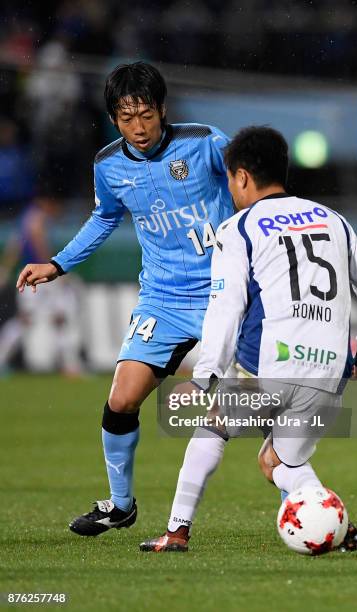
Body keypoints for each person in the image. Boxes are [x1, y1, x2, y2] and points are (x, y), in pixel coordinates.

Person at [140, 126, 357, 553]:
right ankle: (338, 526)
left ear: (240, 177)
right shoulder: (334, 220)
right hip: (329, 372)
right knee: (278, 462)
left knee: (212, 429)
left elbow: (225, 307)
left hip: (272, 366)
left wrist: (204, 378)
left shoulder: (238, 228)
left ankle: (177, 531)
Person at [16, 62, 234, 536]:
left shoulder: (205, 142)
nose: (138, 127)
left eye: (146, 115)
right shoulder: (108, 164)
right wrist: (57, 263)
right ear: (114, 117)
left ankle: (300, 497)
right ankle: (121, 505)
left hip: (227, 292)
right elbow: (103, 219)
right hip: (163, 297)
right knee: (122, 398)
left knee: (266, 401)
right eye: (126, 117)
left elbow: (250, 187)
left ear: (163, 110)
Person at [0, 185, 83, 375]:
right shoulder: (37, 217)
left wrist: (5, 268)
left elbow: (15, 245)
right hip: (40, 274)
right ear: (49, 202)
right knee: (57, 318)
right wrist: (53, 267)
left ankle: (70, 365)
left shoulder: (25, 217)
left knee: (28, 319)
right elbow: (38, 240)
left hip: (29, 273)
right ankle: (70, 366)